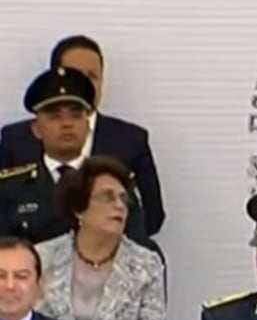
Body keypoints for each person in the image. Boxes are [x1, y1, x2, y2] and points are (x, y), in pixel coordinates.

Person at [0, 35, 165, 237]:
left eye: (92, 76)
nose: (83, 83)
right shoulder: (15, 139)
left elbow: (151, 217)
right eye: (75, 74)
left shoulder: (130, 140)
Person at [35, 157, 166, 320]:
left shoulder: (146, 263)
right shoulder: (42, 258)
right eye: (107, 197)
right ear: (79, 209)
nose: (119, 206)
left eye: (123, 198)